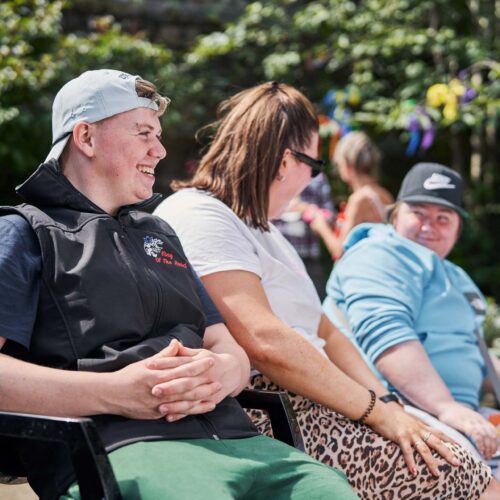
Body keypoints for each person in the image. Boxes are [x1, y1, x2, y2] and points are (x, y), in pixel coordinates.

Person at [0, 70, 358, 500]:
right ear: (86, 138)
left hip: (236, 442)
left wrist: (226, 372)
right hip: (118, 448)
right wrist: (114, 393)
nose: (160, 149)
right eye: (144, 132)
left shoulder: (161, 234)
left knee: (328, 490)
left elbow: (226, 346)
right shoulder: (24, 234)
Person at [154, 81, 499, 498]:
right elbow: (264, 340)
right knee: (458, 472)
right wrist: (379, 413)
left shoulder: (265, 231)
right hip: (272, 407)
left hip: (323, 395)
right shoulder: (200, 215)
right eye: (314, 167)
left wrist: (388, 403)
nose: (313, 179)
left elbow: (328, 333)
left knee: (464, 461)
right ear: (285, 161)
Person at [323, 162, 500, 465]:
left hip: (465, 415)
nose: (429, 225)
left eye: (443, 218)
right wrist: (447, 407)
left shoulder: (454, 275)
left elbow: (477, 356)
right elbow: (387, 335)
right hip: (394, 413)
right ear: (394, 216)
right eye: (417, 213)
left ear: (457, 229)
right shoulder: (379, 253)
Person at [307, 131, 394, 260]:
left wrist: (321, 227)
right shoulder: (384, 194)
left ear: (348, 164)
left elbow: (340, 250)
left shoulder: (358, 200)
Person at [273, 173, 334, 299]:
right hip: (280, 258)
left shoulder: (317, 178)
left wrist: (310, 211)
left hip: (308, 259)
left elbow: (330, 217)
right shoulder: (275, 173)